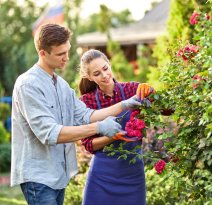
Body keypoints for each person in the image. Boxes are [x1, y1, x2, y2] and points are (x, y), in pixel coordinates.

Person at [10, 24, 141, 205]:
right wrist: (99, 127)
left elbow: (86, 115)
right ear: (42, 53)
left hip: (58, 175)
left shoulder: (61, 85)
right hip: (38, 176)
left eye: (67, 51)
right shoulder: (28, 85)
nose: (67, 57)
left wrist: (124, 105)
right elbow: (49, 133)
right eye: (60, 54)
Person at [78, 49, 154, 205]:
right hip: (102, 177)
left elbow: (166, 108)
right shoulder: (87, 102)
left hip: (133, 175)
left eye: (105, 68)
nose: (104, 75)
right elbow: (88, 144)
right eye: (97, 73)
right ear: (89, 77)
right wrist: (110, 137)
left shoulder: (132, 89)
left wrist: (152, 92)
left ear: (109, 64)